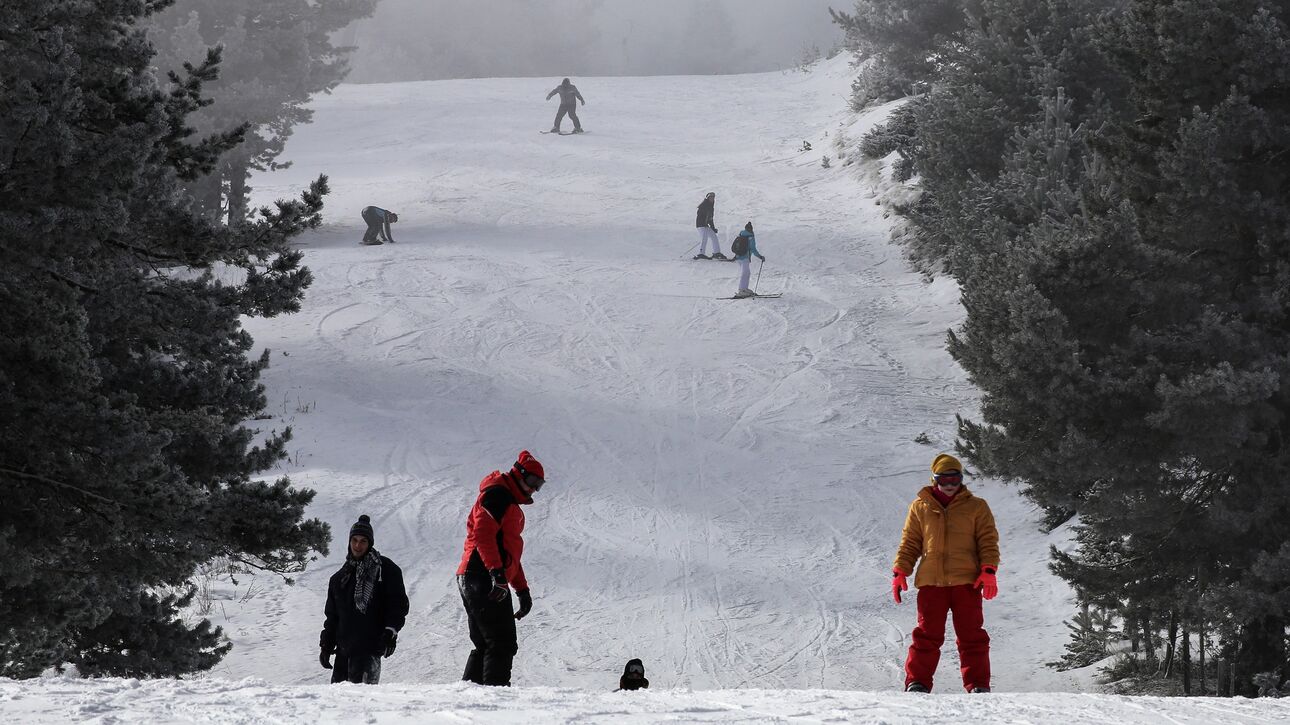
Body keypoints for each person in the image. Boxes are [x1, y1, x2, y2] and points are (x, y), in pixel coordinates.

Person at [891, 454, 1000, 694]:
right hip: (932, 583)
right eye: (943, 480)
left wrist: (989, 570)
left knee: (972, 636)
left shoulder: (976, 506)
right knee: (926, 635)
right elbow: (910, 542)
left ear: (961, 479)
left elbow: (988, 541)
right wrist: (900, 571)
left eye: (955, 479)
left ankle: (978, 685)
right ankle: (917, 682)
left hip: (967, 583)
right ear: (934, 480)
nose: (949, 485)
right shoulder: (920, 507)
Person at [456, 450, 547, 686]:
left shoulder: (507, 500)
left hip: (479, 574)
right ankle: (493, 699)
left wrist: (522, 589)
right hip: (481, 574)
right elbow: (483, 534)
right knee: (502, 641)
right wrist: (496, 574)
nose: (533, 489)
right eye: (532, 482)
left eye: (539, 485)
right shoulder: (497, 495)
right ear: (519, 474)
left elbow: (510, 554)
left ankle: (471, 696)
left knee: (488, 643)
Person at [320, 514, 410, 684]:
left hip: (370, 650)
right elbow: (332, 617)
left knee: (363, 705)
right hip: (343, 653)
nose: (358, 546)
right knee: (335, 706)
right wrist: (326, 644)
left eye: (363, 541)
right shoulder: (339, 579)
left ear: (370, 543)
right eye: (354, 540)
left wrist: (390, 631)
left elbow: (397, 605)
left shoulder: (385, 570)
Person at [731, 222, 765, 298]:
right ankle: (741, 290)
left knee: (747, 272)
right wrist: (760, 256)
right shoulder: (750, 237)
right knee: (745, 273)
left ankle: (744, 289)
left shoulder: (741, 235)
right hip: (745, 257)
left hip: (739, 257)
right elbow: (753, 249)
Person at [693, 192, 725, 260]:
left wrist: (713, 228)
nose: (712, 198)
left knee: (714, 237)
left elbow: (710, 219)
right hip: (700, 225)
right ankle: (701, 253)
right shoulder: (704, 205)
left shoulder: (711, 207)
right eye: (711, 197)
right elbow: (699, 214)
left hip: (705, 225)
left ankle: (716, 253)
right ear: (708, 198)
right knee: (704, 238)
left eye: (713, 197)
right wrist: (704, 221)